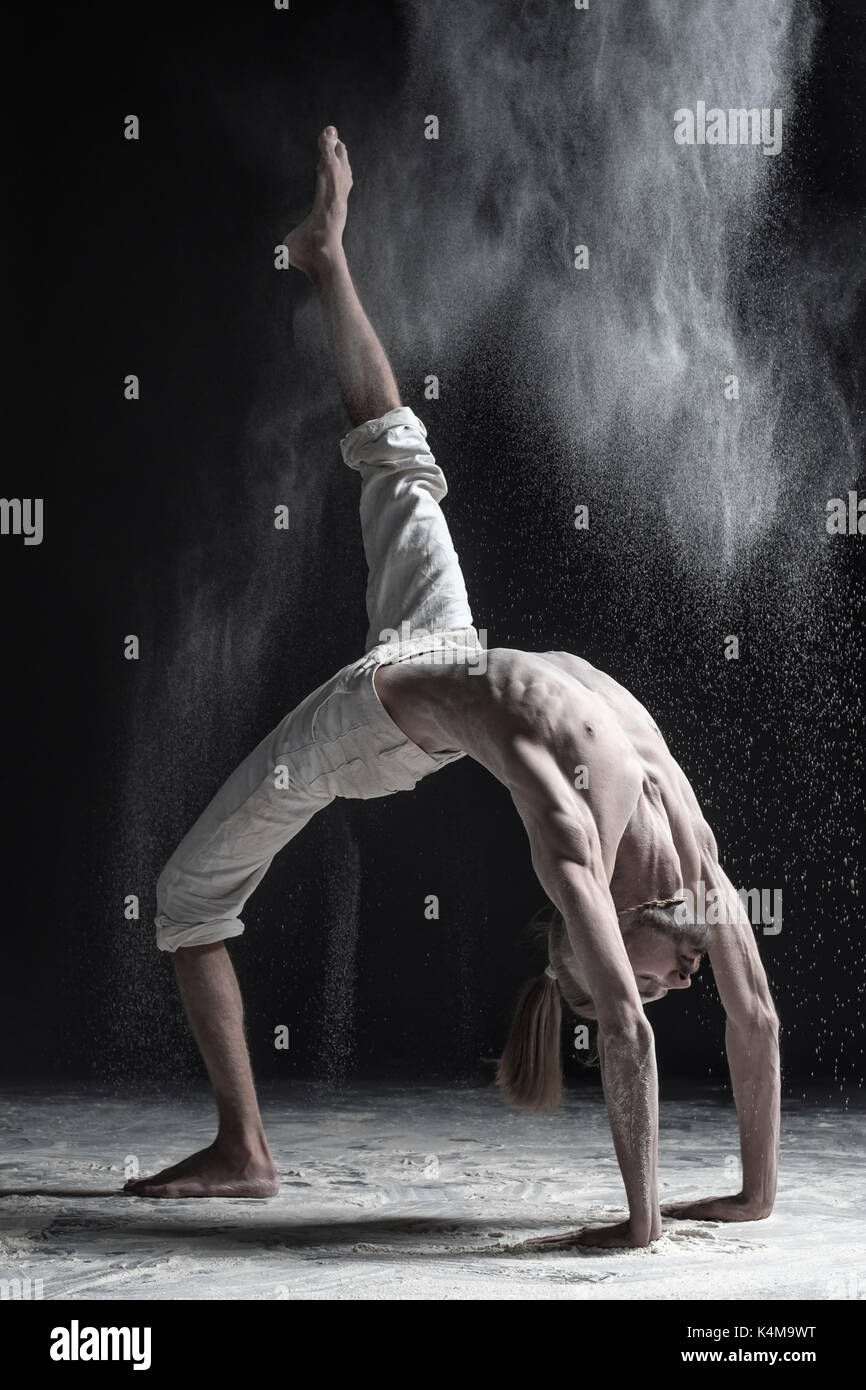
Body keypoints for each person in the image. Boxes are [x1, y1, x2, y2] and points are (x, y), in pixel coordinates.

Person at [125, 127, 780, 1251]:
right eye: (659, 977)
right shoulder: (686, 859)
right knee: (396, 451)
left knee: (185, 898)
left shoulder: (578, 835)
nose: (667, 985)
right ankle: (327, 259)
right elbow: (708, 1015)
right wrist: (700, 1212)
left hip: (378, 718)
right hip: (447, 642)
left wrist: (652, 1216)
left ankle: (246, 1150)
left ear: (585, 940)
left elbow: (638, 1017)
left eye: (595, 975)